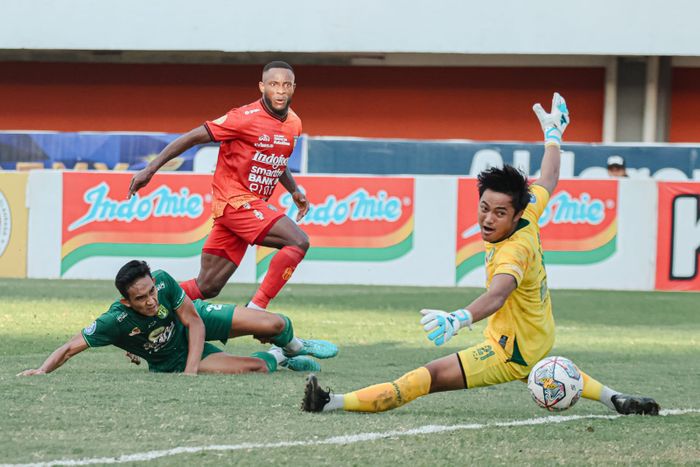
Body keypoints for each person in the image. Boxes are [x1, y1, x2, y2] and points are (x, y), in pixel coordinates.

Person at [302, 93, 659, 416]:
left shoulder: (514, 250)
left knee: (423, 378)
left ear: (516, 214)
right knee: (542, 367)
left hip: (509, 350)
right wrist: (554, 136)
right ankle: (615, 398)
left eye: (499, 213)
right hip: (536, 336)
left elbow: (498, 293)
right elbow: (548, 178)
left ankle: (329, 402)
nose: (488, 218)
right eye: (484, 207)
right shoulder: (529, 210)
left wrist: (458, 319)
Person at [128, 61, 309, 311]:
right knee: (298, 241)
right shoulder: (243, 118)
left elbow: (277, 160)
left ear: (294, 88)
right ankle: (257, 308)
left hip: (243, 209)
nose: (280, 91)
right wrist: (151, 169)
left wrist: (294, 190)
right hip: (236, 202)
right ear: (262, 86)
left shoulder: (294, 124)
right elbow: (192, 136)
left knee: (207, 286)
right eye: (274, 84)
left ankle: (133, 312)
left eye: (286, 85)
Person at [18, 260, 337, 376]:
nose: (150, 300)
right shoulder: (114, 321)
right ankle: (281, 356)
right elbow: (71, 347)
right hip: (171, 358)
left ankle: (294, 345)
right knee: (256, 367)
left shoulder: (163, 282)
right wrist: (41, 370)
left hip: (194, 321)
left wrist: (190, 373)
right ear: (125, 302)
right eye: (140, 298)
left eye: (150, 292)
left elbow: (194, 322)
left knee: (275, 323)